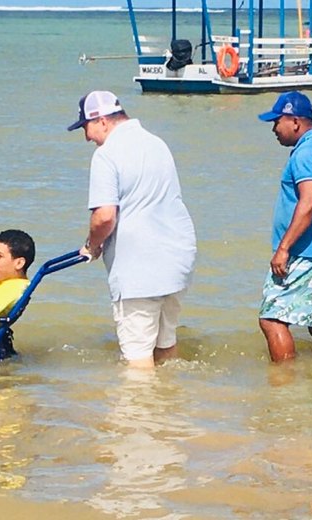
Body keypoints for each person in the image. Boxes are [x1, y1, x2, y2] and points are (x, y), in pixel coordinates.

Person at [68, 90, 197, 368]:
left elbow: (104, 217)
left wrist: (92, 247)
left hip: (139, 268)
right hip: (177, 259)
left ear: (101, 121)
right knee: (165, 347)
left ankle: (139, 412)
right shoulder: (156, 143)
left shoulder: (106, 155)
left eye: (86, 128)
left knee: (137, 363)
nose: (86, 137)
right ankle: (172, 407)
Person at [257, 91, 312, 362]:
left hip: (306, 252)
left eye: (277, 121)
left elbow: (308, 203)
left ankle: (285, 391)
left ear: (295, 121)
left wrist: (284, 248)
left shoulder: (307, 152)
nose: (273, 128)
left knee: (272, 319)